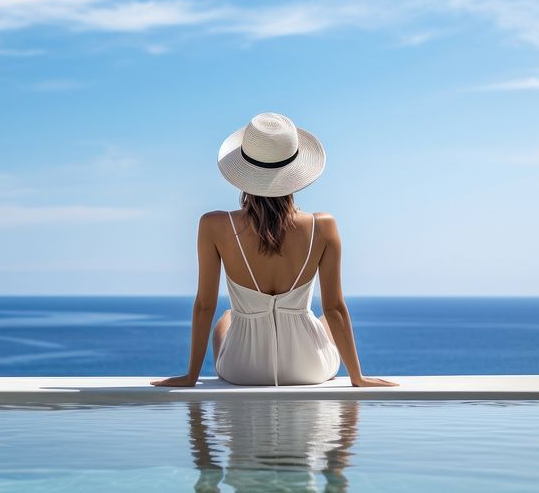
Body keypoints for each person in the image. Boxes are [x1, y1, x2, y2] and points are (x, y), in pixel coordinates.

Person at [152, 112, 396, 388]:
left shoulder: (214, 225)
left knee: (227, 316)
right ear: (295, 173)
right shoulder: (323, 226)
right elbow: (335, 308)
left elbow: (204, 306)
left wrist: (191, 377)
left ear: (244, 172)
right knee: (326, 316)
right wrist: (357, 377)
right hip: (308, 369)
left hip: (243, 370)